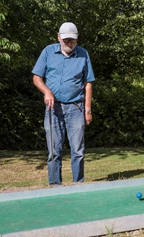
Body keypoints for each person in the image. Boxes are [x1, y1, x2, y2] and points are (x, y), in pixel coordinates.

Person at [32, 22, 95, 185]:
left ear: (77, 39)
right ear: (59, 37)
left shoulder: (83, 54)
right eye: (66, 39)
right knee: (54, 151)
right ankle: (55, 186)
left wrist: (87, 110)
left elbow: (88, 83)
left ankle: (78, 184)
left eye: (72, 40)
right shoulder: (48, 52)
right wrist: (47, 92)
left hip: (76, 108)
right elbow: (36, 78)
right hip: (53, 108)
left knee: (78, 151)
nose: (69, 43)